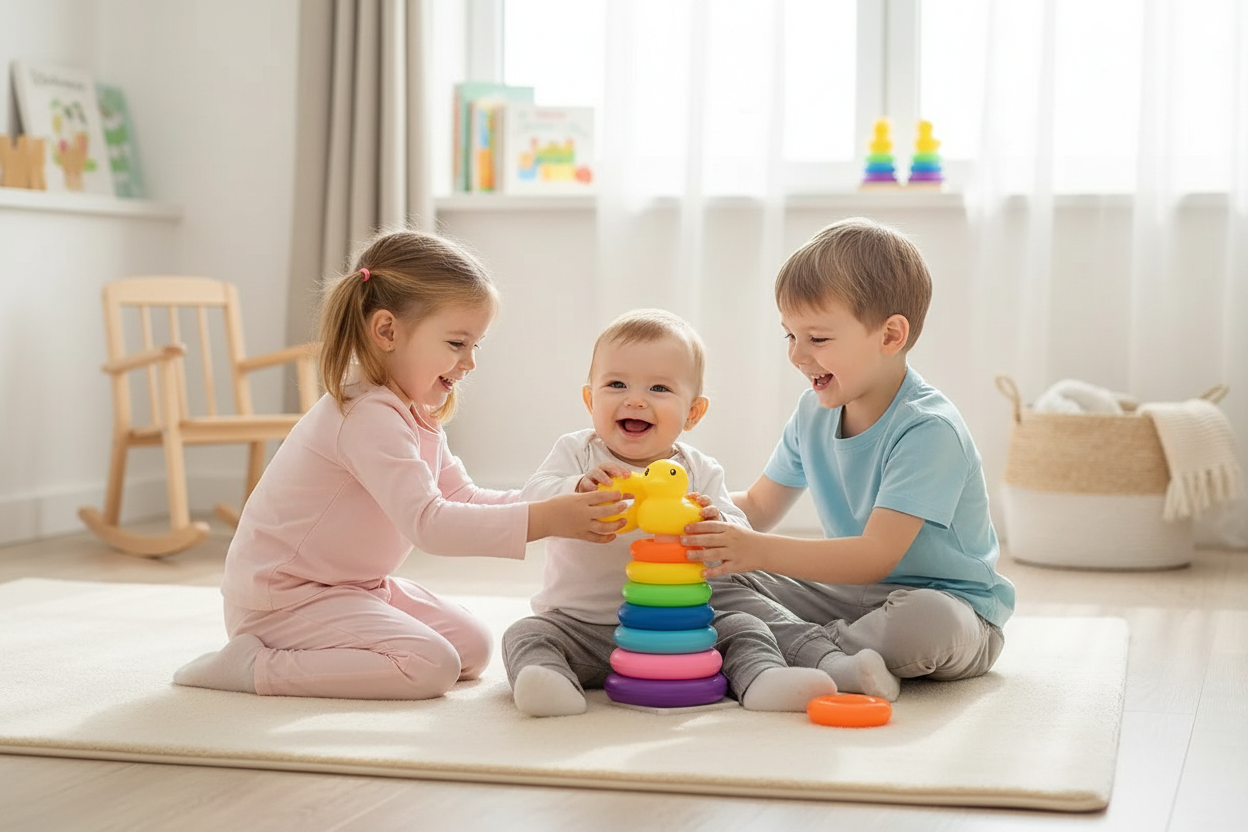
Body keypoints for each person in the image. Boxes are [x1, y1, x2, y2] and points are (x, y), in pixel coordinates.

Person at [173, 230, 627, 700]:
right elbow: (430, 524)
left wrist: (562, 500)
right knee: (428, 667)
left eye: (476, 345)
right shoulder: (367, 416)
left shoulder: (412, 413)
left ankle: (320, 645)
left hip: (354, 587)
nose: (469, 362)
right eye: (456, 343)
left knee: (472, 648)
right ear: (387, 331)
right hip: (282, 600)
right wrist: (546, 519)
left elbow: (462, 498)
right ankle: (253, 665)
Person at [682, 217, 1016, 702]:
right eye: (789, 336)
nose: (797, 356)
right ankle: (825, 654)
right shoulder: (812, 413)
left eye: (817, 339)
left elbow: (876, 555)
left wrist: (754, 547)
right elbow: (756, 505)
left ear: (890, 336)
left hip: (949, 606)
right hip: (847, 596)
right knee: (713, 579)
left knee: (928, 624)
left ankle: (792, 649)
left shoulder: (928, 429)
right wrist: (698, 518)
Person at [503, 309, 837, 717]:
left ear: (693, 412)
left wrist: (714, 522)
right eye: (617, 384)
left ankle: (763, 678)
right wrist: (576, 490)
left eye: (659, 388)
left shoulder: (699, 471)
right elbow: (531, 498)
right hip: (580, 626)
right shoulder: (576, 453)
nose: (635, 399)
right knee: (526, 633)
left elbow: (738, 534)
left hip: (680, 633)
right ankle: (548, 682)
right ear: (590, 398)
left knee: (743, 628)